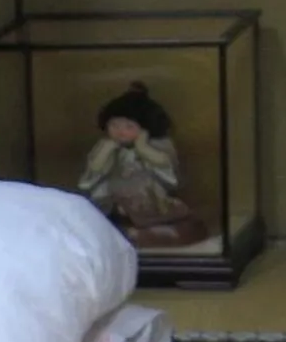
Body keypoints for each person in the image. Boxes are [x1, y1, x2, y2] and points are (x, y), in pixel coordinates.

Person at [77, 82, 209, 248]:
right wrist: (106, 151)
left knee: (147, 195)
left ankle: (148, 227)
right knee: (102, 196)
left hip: (146, 192)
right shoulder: (107, 145)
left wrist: (142, 148)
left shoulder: (158, 144)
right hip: (114, 191)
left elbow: (166, 167)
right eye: (114, 125)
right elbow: (94, 171)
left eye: (128, 126)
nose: (120, 131)